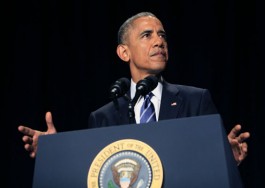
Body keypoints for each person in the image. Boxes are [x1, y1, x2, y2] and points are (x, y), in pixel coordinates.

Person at [18, 12, 250, 165]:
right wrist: (54, 153)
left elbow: (210, 167)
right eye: (147, 35)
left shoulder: (196, 100)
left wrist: (227, 159)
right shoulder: (103, 118)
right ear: (124, 52)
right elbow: (94, 173)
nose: (159, 41)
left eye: (162, 35)